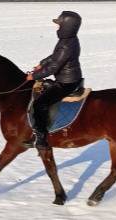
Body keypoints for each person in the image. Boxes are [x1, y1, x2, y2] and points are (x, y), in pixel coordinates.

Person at [26, 11, 83, 149]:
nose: (57, 28)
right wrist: (41, 64)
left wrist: (33, 76)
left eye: (60, 25)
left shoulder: (67, 44)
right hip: (66, 78)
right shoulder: (67, 40)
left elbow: (53, 67)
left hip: (66, 82)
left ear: (67, 27)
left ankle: (41, 138)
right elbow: (54, 56)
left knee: (40, 104)